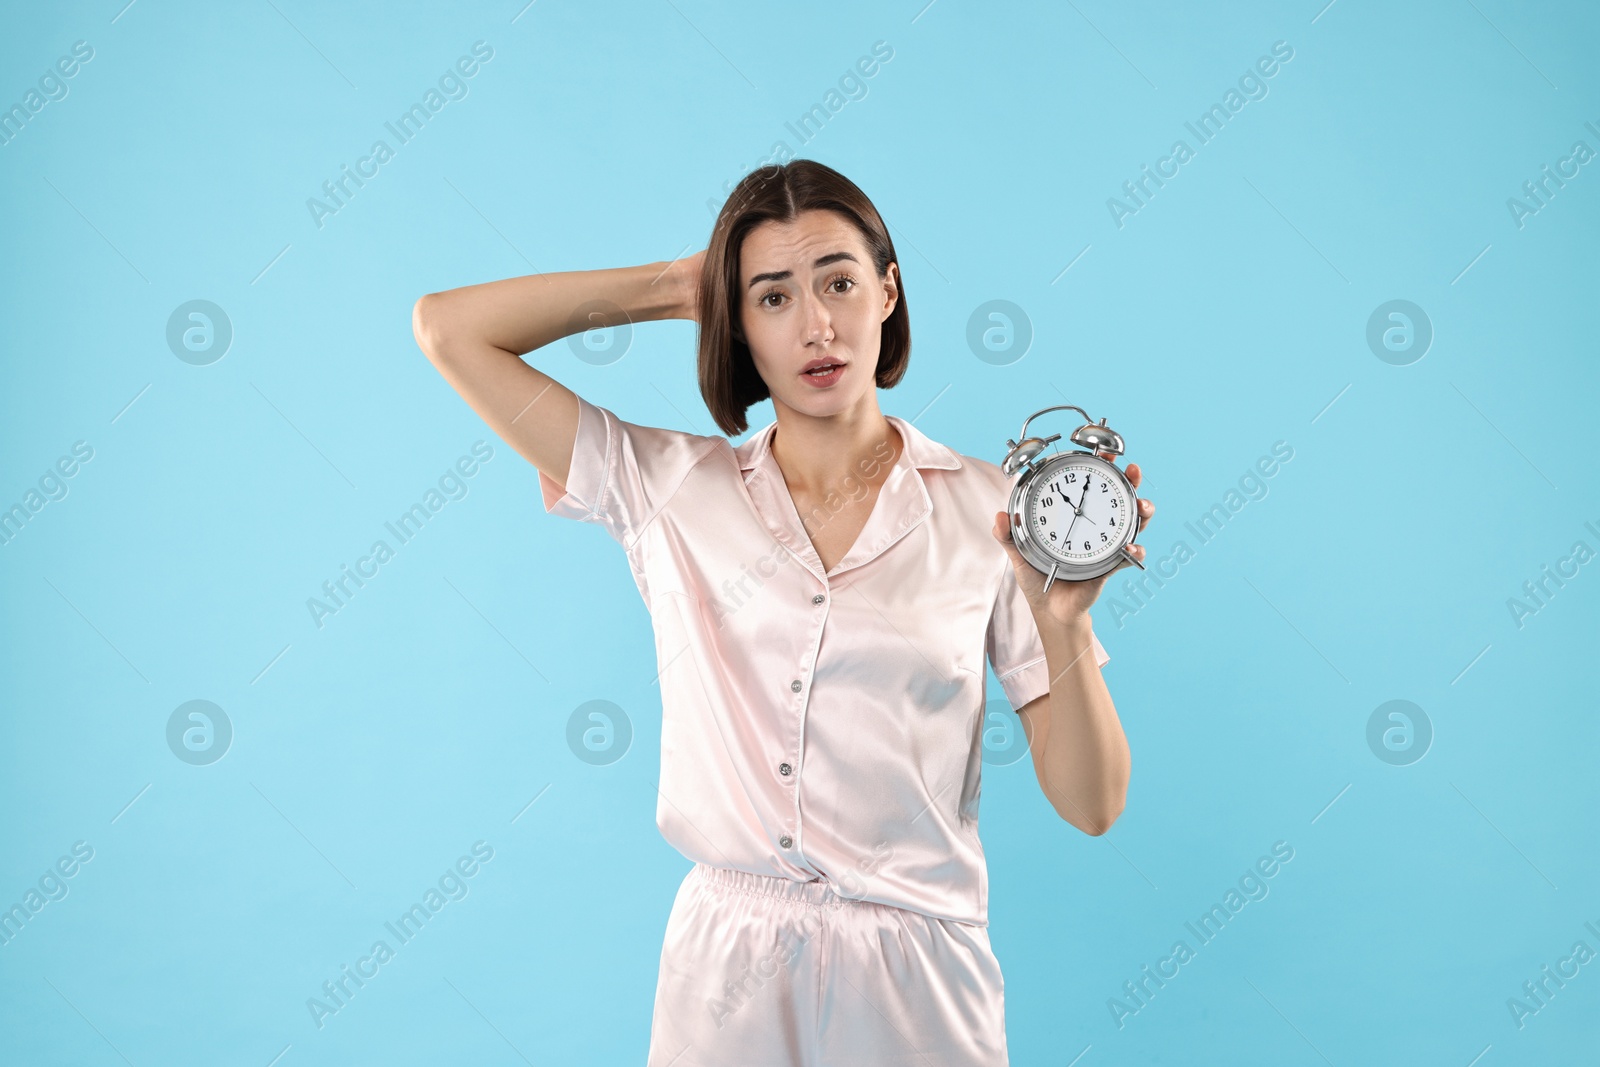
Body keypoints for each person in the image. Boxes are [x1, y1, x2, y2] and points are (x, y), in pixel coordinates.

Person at [412, 159, 1155, 1066]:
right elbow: (448, 329)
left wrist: (1065, 625)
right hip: (727, 974)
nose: (816, 325)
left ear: (887, 293)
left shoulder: (993, 515)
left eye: (840, 282)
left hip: (919, 976)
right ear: (740, 329)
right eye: (771, 298)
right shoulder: (670, 489)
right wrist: (677, 286)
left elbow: (1092, 805)